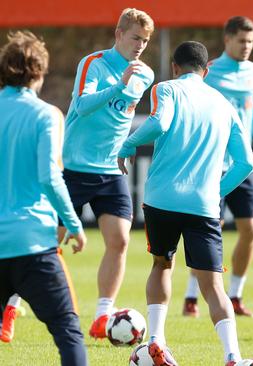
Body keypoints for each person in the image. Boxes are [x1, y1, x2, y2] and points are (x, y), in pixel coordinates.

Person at [117, 41, 253, 366]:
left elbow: (158, 123)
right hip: (203, 206)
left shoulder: (166, 89)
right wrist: (216, 191)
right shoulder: (224, 104)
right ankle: (232, 355)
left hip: (160, 200)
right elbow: (246, 163)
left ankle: (156, 340)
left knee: (161, 265)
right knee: (212, 285)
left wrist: (128, 144)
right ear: (206, 71)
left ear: (175, 67)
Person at [60, 7, 155, 340]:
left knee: (119, 240)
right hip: (73, 167)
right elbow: (83, 106)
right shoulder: (93, 64)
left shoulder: (147, 75)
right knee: (46, 245)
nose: (140, 45)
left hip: (110, 170)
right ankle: (10, 304)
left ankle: (102, 316)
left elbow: (125, 119)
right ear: (118, 34)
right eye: (135, 38)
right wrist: (119, 84)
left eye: (145, 40)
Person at [0, 30, 87, 365]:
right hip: (32, 243)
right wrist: (73, 222)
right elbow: (49, 176)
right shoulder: (46, 115)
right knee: (67, 330)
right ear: (39, 72)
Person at [182, 16, 253, 318]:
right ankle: (191, 296)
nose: (247, 46)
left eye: (251, 41)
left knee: (251, 229)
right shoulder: (209, 72)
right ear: (227, 40)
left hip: (241, 165)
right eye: (241, 41)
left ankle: (235, 294)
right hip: (211, 164)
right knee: (210, 229)